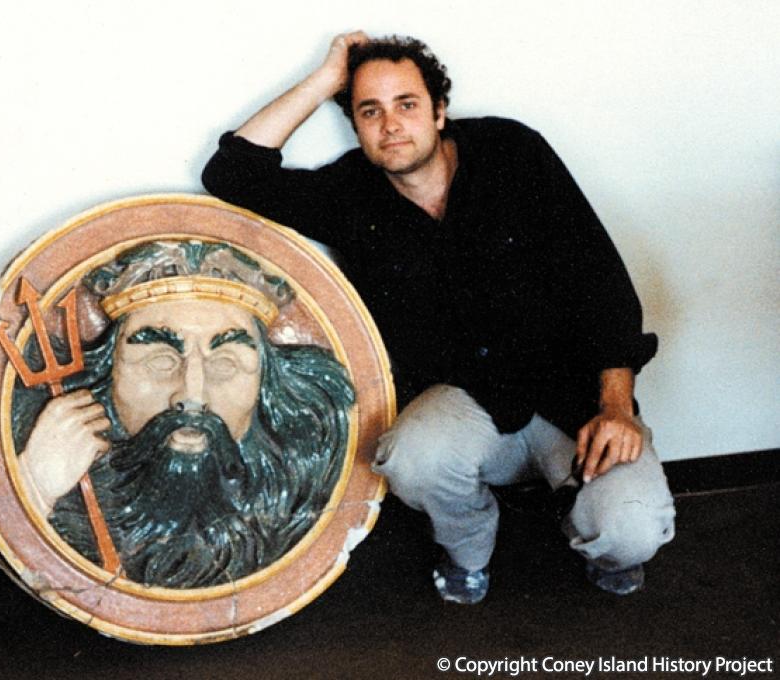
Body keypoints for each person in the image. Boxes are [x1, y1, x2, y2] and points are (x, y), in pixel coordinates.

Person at [201, 33, 676, 602]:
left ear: (439, 110)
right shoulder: (350, 192)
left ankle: (587, 526)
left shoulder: (512, 152)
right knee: (409, 458)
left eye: (406, 104)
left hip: (568, 396)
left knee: (631, 531)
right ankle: (469, 544)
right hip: (464, 401)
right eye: (369, 110)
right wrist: (327, 77)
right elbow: (231, 175)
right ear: (355, 125)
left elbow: (599, 279)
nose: (391, 124)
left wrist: (617, 407)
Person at [13, 239, 354, 588]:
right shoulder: (53, 476)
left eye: (226, 363)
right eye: (160, 361)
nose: (192, 395)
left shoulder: (296, 507)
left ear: (266, 387)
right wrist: (35, 486)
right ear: (108, 375)